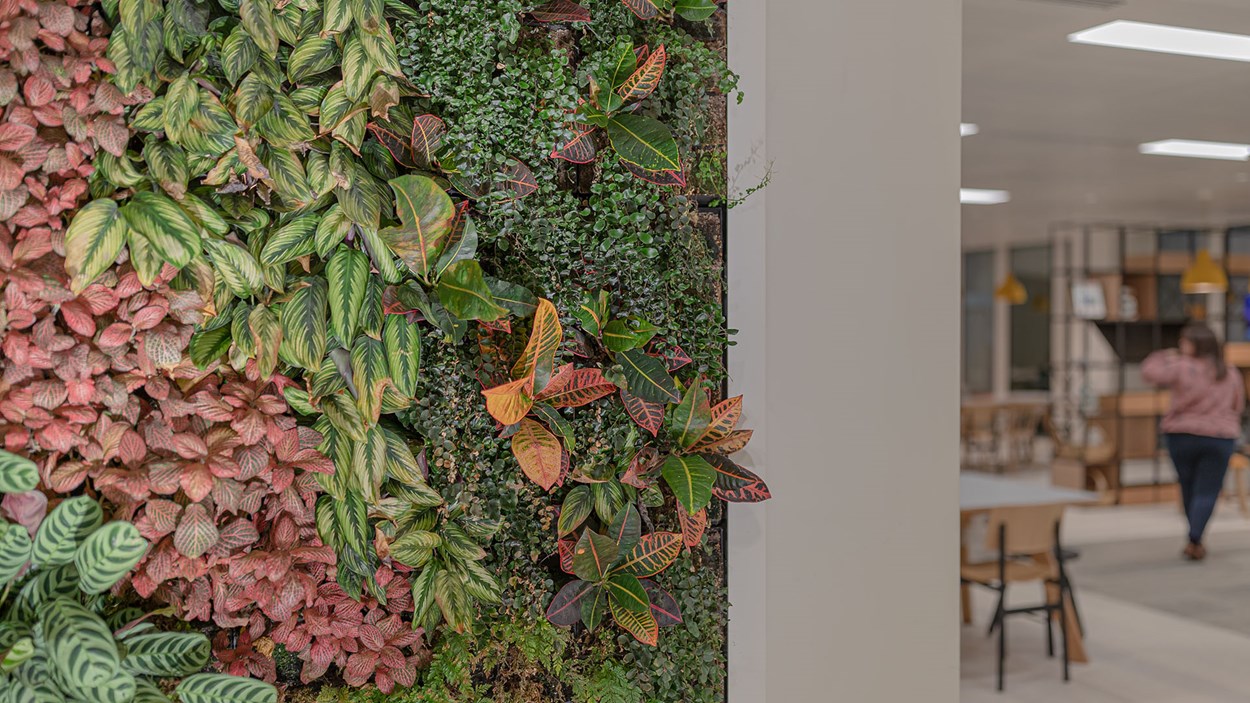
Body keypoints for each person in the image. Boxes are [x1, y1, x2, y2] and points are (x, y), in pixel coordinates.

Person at [1142, 323, 1246, 561]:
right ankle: (1195, 537)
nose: (1180, 345)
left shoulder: (1181, 366)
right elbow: (1238, 405)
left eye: (1184, 341)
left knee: (1188, 487)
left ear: (1197, 344)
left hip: (1182, 435)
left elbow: (1149, 372)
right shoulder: (1229, 371)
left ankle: (1194, 538)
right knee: (1208, 490)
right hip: (1220, 437)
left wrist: (1163, 355)